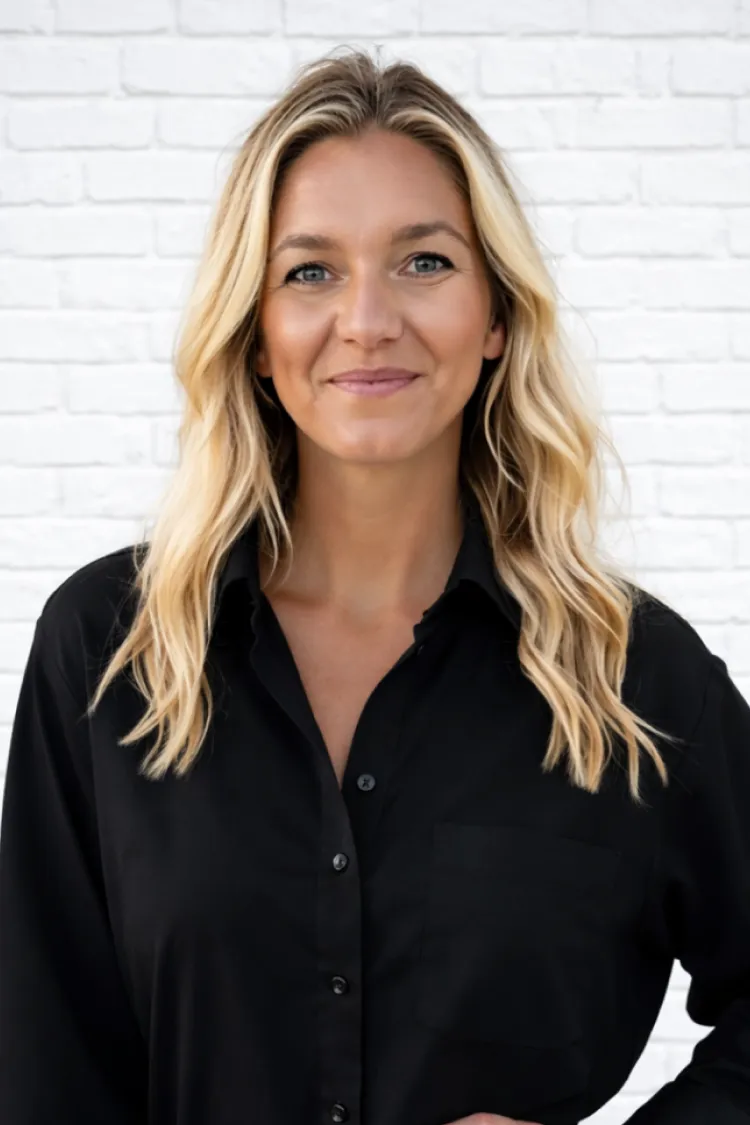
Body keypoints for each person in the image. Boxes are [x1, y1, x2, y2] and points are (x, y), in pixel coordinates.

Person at [0, 47, 749, 1125]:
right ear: (256, 334)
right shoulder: (108, 649)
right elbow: (46, 1069)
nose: (367, 318)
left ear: (496, 316)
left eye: (424, 262)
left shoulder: (636, 676)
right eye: (310, 271)